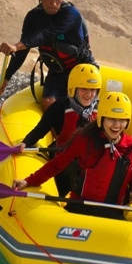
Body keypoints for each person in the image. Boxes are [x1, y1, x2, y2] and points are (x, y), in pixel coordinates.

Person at [12, 91, 132, 219]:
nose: (116, 125)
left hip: (111, 213)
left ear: (127, 122)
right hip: (80, 208)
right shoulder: (84, 139)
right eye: (112, 119)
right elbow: (57, 164)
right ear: (101, 119)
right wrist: (29, 181)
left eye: (122, 120)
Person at [0, 0, 96, 111]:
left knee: (79, 106)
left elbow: (47, 34)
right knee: (48, 103)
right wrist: (5, 79)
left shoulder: (71, 14)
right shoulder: (32, 18)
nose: (53, 2)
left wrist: (16, 46)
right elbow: (22, 52)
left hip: (82, 69)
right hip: (58, 72)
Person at [16, 64, 101, 195]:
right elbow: (40, 129)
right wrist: (25, 143)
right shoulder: (59, 108)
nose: (89, 94)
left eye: (93, 90)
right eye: (84, 89)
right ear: (74, 88)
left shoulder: (102, 112)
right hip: (63, 162)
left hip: (89, 165)